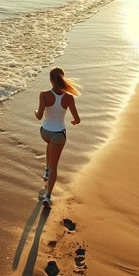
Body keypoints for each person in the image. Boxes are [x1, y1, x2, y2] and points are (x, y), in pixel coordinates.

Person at [34, 67, 81, 208]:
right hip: (59, 135)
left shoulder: (44, 94)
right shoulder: (69, 97)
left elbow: (39, 116)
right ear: (62, 78)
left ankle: (47, 170)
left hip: (45, 133)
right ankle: (48, 196)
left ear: (50, 79)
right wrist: (73, 122)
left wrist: (35, 111)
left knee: (49, 144)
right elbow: (77, 119)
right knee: (56, 165)